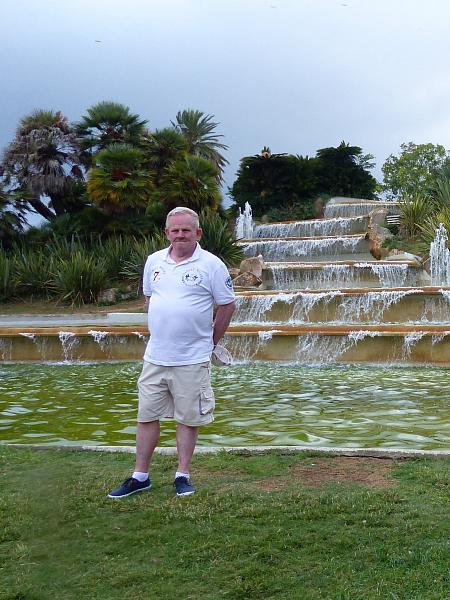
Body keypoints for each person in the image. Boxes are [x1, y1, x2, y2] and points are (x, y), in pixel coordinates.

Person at [108, 207, 236, 498]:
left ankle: (182, 474)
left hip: (192, 358)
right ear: (167, 233)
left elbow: (227, 305)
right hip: (155, 356)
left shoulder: (212, 265)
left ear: (198, 233)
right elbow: (150, 298)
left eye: (186, 230)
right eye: (174, 230)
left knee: (188, 418)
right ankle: (140, 476)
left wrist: (211, 342)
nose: (180, 234)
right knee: (146, 416)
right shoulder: (154, 261)